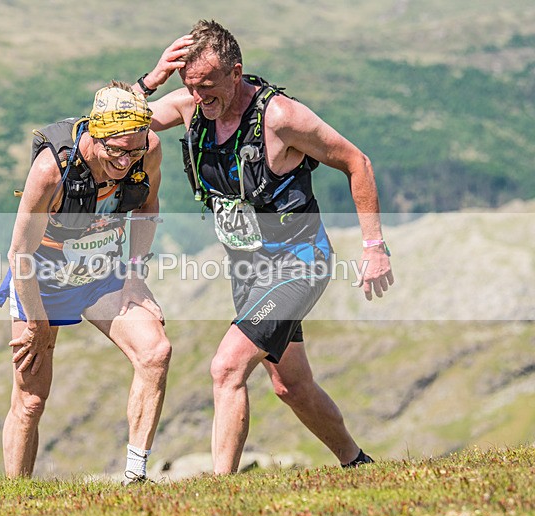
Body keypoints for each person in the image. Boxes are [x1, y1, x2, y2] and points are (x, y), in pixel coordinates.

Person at [132, 20, 393, 473]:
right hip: (249, 271)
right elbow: (113, 123)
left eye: (209, 86)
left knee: (227, 366)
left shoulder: (281, 118)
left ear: (237, 73)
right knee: (290, 384)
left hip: (299, 263)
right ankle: (358, 464)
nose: (200, 98)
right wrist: (150, 81)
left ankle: (220, 494)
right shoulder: (193, 106)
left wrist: (374, 247)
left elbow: (357, 162)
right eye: (190, 87)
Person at [0, 81, 170, 484]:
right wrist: (36, 323)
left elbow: (146, 206)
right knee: (32, 399)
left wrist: (134, 274)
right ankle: (16, 497)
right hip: (44, 278)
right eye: (117, 150)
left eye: (135, 150)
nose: (126, 162)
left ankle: (135, 476)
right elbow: (19, 254)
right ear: (95, 134)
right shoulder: (50, 171)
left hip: (103, 272)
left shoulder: (148, 150)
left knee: (155, 352)